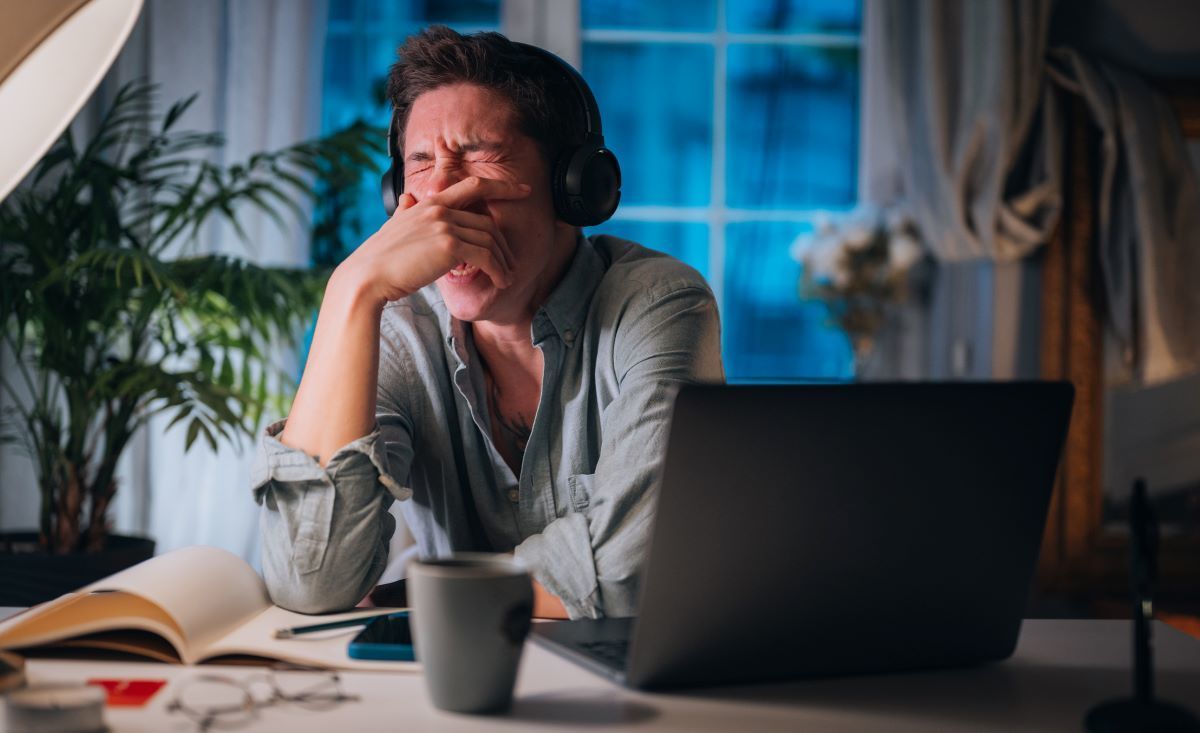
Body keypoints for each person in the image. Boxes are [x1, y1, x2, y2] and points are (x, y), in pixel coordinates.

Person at [251, 25, 724, 620]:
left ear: (574, 188)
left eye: (479, 158)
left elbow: (633, 568)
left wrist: (430, 594)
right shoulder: (399, 330)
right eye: (420, 164)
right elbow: (310, 579)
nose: (440, 200)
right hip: (452, 671)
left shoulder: (659, 304)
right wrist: (351, 289)